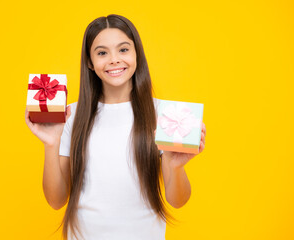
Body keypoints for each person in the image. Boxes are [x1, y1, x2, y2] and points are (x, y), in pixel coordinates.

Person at [25, 14, 206, 240]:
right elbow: (56, 201)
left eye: (123, 50)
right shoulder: (71, 114)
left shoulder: (166, 115)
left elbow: (178, 201)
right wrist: (51, 144)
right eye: (102, 53)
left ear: (136, 53)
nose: (114, 60)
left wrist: (175, 166)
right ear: (90, 62)